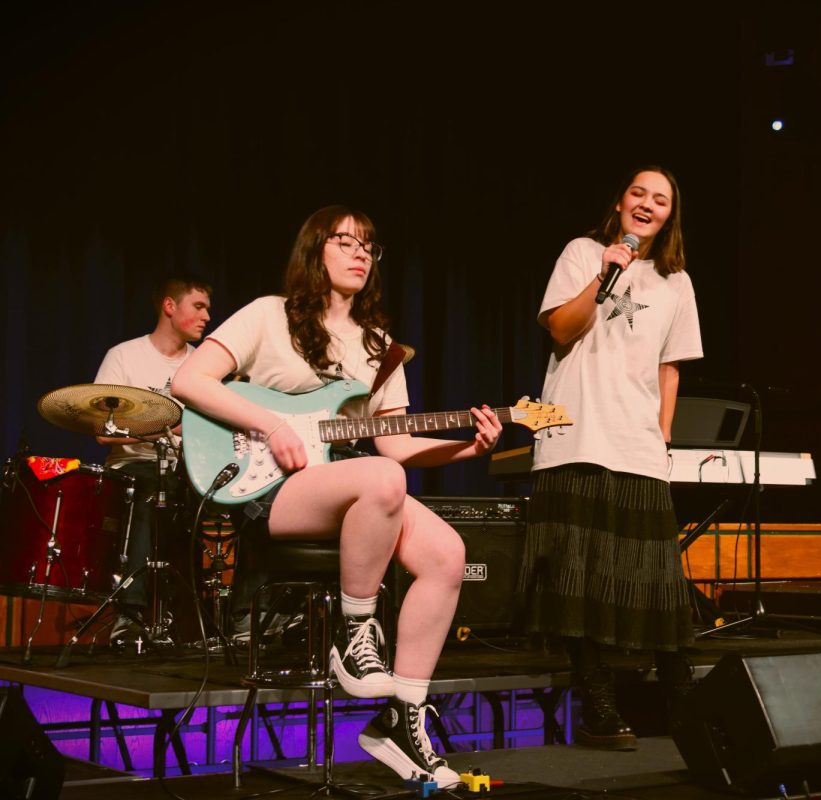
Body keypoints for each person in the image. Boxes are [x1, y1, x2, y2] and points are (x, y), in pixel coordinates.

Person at [172, 205, 500, 788]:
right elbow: (188, 381)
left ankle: (402, 718)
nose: (359, 253)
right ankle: (355, 633)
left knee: (447, 552)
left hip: (350, 481)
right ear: (313, 250)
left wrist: (468, 450)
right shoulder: (268, 315)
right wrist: (273, 427)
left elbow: (395, 448)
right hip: (266, 484)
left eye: (368, 245)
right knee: (380, 479)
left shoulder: (381, 347)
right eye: (344, 240)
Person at [516, 166, 704, 750]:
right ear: (620, 201)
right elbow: (562, 331)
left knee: (655, 580)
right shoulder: (582, 253)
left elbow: (670, 367)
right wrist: (603, 274)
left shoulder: (677, 282)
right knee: (579, 574)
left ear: (670, 216)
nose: (647, 204)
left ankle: (684, 702)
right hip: (573, 433)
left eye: (661, 200)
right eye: (638, 193)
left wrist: (662, 433)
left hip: (637, 443)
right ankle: (596, 701)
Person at [94, 273, 212, 647]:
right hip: (133, 468)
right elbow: (102, 428)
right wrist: (168, 432)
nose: (207, 315)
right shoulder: (124, 355)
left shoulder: (204, 365)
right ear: (169, 306)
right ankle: (128, 616)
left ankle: (198, 621)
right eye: (199, 306)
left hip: (185, 469)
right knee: (148, 489)